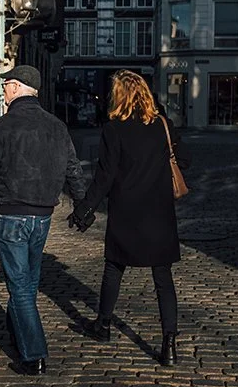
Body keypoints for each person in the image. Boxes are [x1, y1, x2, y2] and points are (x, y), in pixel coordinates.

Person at [0, 65, 87, 375]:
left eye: (5, 86)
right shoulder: (57, 127)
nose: (3, 92)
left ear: (15, 88)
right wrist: (81, 204)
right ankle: (18, 331)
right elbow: (73, 169)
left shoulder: (0, 128)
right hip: (43, 216)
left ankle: (34, 354)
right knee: (28, 279)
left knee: (21, 286)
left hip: (12, 213)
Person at [68, 70, 190, 366]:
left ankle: (103, 325)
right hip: (159, 212)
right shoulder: (163, 125)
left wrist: (84, 209)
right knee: (163, 277)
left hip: (126, 211)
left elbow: (104, 177)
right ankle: (169, 344)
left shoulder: (114, 130)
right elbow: (184, 161)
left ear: (119, 96)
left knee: (114, 268)